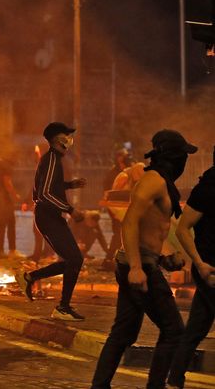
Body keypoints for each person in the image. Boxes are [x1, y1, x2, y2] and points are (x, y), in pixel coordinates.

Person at [91, 129, 197, 389]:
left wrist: (165, 257)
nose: (185, 161)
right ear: (174, 157)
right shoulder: (153, 181)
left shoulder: (160, 181)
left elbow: (151, 229)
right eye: (183, 155)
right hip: (138, 266)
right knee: (174, 331)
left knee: (122, 332)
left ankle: (99, 385)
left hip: (144, 262)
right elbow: (130, 223)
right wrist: (137, 268)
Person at [16, 122, 87, 321]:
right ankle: (62, 308)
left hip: (51, 216)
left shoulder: (54, 159)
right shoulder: (51, 160)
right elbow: (45, 194)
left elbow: (51, 186)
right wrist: (71, 210)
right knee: (75, 259)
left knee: (73, 260)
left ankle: (29, 278)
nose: (70, 139)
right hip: (47, 216)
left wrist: (70, 185)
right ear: (58, 139)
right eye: (67, 135)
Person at [167, 147, 215, 389]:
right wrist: (199, 263)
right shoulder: (208, 187)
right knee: (195, 328)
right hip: (210, 268)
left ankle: (174, 381)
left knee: (196, 328)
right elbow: (183, 228)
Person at [103, 148, 134, 264]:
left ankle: (116, 258)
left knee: (122, 233)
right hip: (117, 208)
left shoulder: (126, 172)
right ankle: (109, 258)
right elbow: (111, 192)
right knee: (118, 233)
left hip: (124, 208)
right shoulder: (119, 174)